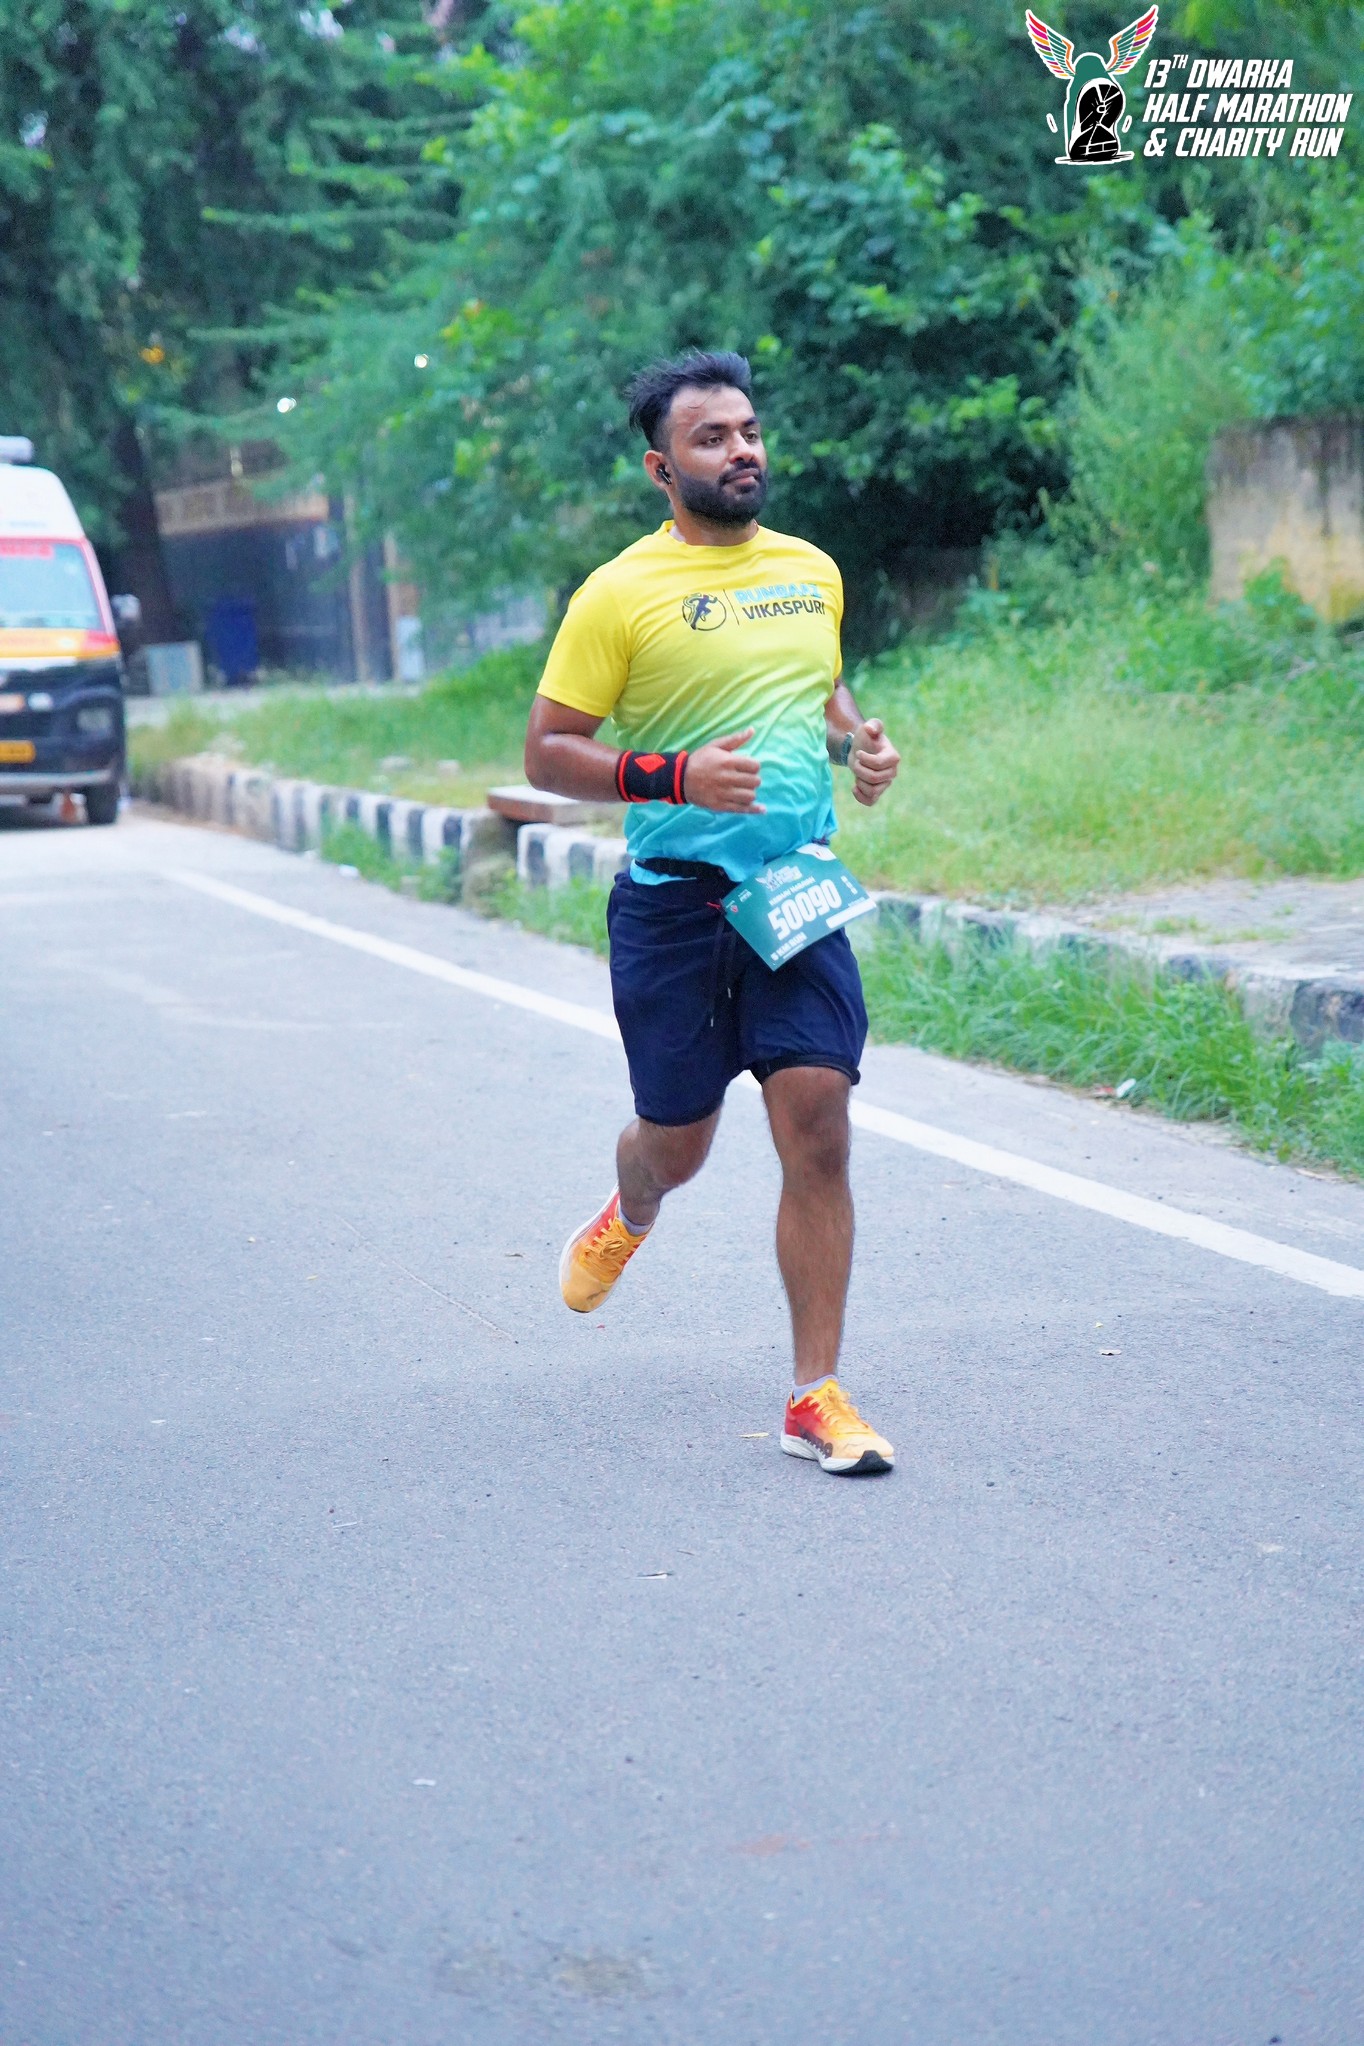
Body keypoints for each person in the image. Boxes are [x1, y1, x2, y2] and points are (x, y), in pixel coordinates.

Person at [524, 350, 902, 1475]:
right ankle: (630, 1207)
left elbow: (814, 689)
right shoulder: (616, 594)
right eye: (711, 438)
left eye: (748, 431)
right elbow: (548, 752)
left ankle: (813, 1394)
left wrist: (855, 742)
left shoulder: (810, 571)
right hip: (675, 909)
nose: (741, 451)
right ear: (661, 468)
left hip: (793, 889)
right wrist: (673, 776)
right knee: (677, 1145)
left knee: (818, 1123)